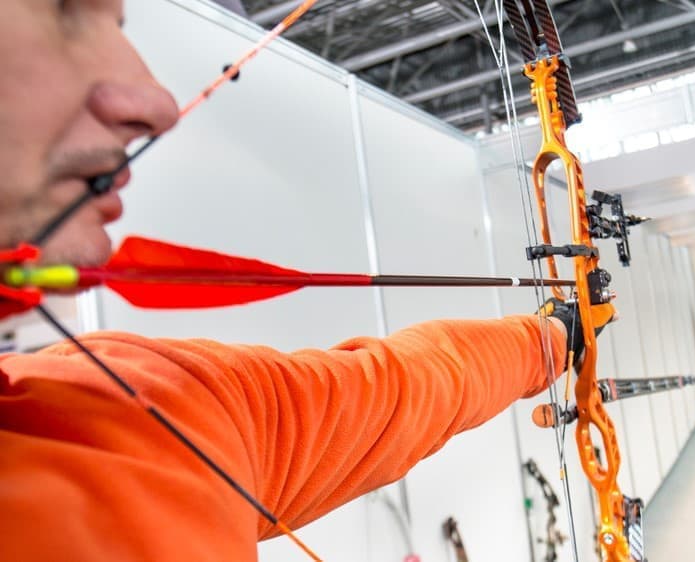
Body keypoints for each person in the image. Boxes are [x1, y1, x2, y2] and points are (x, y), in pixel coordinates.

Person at [0, 2, 612, 560]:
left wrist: (551, 340)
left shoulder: (131, 411)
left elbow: (392, 393)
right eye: (62, 12)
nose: (155, 105)